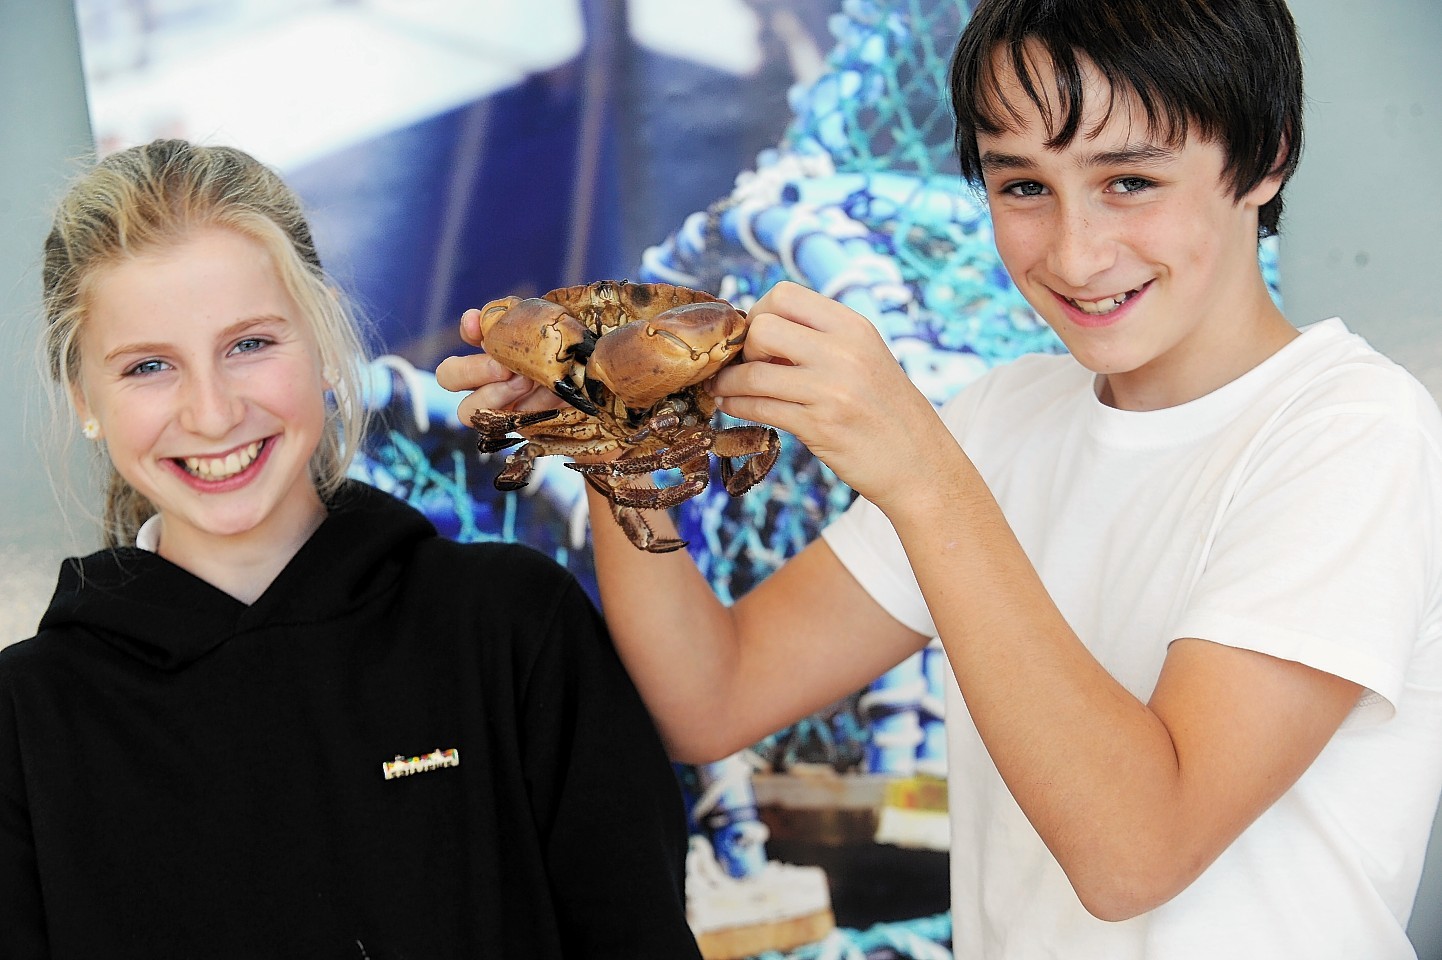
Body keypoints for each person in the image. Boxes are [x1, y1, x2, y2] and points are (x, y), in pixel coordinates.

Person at [437, 0, 1442, 956]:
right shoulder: (1007, 415)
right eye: (1020, 187)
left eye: (1128, 181)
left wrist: (923, 471)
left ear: (1261, 157)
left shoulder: (1352, 429)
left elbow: (1135, 853)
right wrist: (620, 435)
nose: (1075, 250)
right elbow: (713, 695)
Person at [0, 139, 701, 960]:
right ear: (85, 398)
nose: (213, 413)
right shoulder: (25, 723)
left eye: (249, 345)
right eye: (148, 366)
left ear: (325, 342)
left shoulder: (510, 627)